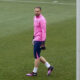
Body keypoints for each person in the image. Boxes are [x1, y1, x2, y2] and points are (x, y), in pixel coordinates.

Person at [26, 7, 54, 76]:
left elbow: (44, 31)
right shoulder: (34, 17)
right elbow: (35, 28)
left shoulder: (42, 19)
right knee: (37, 55)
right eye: (35, 11)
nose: (36, 12)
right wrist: (33, 36)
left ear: (40, 11)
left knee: (36, 57)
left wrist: (43, 43)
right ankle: (49, 67)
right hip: (36, 38)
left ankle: (34, 72)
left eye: (38, 11)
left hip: (39, 40)